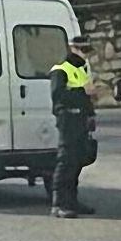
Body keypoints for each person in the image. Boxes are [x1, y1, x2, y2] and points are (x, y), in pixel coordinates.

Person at [48, 36, 97, 219]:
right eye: (83, 51)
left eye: (87, 52)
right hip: (68, 119)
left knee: (77, 161)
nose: (86, 56)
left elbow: (85, 97)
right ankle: (58, 204)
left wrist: (91, 113)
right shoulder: (60, 70)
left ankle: (72, 201)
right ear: (72, 49)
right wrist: (82, 91)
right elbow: (58, 96)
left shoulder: (81, 69)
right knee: (65, 161)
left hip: (81, 119)